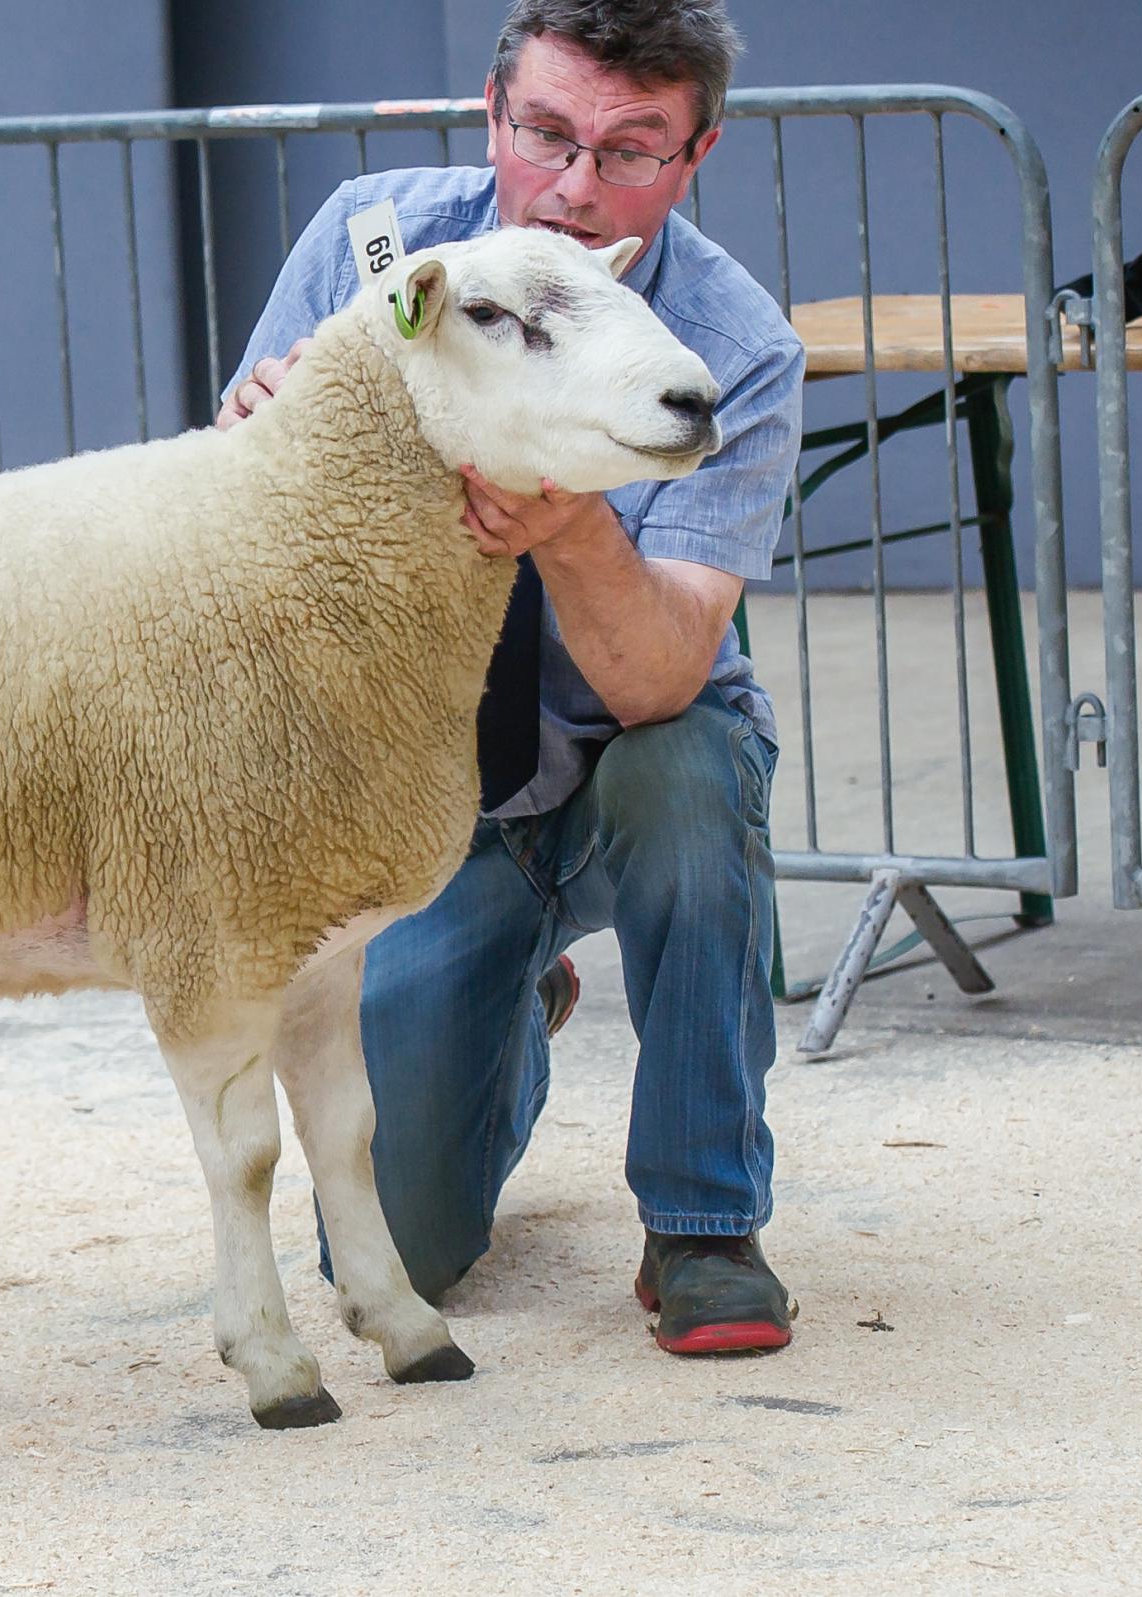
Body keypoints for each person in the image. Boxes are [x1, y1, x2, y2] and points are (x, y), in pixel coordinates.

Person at [217, 0, 804, 1353]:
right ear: (492, 117)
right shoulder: (374, 236)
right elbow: (250, 562)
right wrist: (263, 442)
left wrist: (570, 525)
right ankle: (516, 1006)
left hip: (617, 767)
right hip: (435, 814)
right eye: (546, 133)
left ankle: (708, 1221)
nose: (577, 185)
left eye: (632, 149)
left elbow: (663, 674)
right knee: (405, 1244)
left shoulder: (738, 345)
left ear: (696, 153)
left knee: (690, 769)